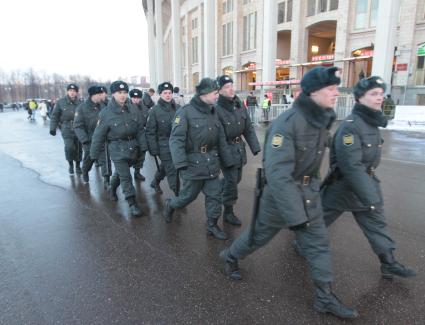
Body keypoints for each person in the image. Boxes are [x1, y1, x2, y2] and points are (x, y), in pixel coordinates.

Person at [219, 67, 358, 319]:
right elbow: (278, 175)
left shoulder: (320, 120)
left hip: (308, 195)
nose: (336, 93)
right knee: (257, 237)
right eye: (331, 89)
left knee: (318, 244)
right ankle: (230, 256)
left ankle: (324, 298)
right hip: (280, 199)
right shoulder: (287, 124)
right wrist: (297, 216)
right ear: (313, 92)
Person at [317, 76, 416, 280]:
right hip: (343, 188)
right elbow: (351, 166)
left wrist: (370, 192)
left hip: (365, 185)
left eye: (381, 93)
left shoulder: (370, 122)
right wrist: (370, 196)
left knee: (376, 224)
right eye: (374, 94)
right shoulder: (351, 126)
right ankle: (301, 243)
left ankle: (389, 263)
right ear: (360, 98)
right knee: (319, 220)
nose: (380, 98)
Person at [163, 78, 234, 240]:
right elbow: (176, 140)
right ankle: (171, 204)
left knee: (215, 196)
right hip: (192, 164)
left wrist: (227, 161)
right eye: (215, 93)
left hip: (211, 162)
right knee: (187, 196)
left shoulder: (213, 111)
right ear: (204, 94)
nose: (217, 96)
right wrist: (180, 164)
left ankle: (212, 225)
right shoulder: (185, 112)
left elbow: (220, 138)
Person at [90, 81, 147, 217]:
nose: (122, 95)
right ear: (113, 94)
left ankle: (112, 188)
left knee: (120, 174)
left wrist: (144, 147)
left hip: (133, 147)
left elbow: (140, 129)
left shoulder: (133, 108)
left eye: (124, 92)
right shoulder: (106, 113)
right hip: (116, 148)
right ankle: (132, 202)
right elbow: (98, 135)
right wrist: (93, 154)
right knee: (126, 176)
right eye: (119, 93)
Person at [216, 75, 261, 226]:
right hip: (225, 148)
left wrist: (255, 146)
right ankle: (228, 211)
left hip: (238, 148)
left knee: (236, 178)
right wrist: (226, 157)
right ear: (220, 91)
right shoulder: (217, 109)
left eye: (231, 85)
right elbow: (219, 137)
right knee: (231, 181)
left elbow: (247, 127)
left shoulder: (239, 104)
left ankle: (215, 189)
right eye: (227, 87)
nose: (231, 89)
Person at [145, 82, 178, 195]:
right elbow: (150, 132)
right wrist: (153, 149)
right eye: (165, 93)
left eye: (170, 92)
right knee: (172, 169)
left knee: (165, 166)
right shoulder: (154, 110)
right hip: (163, 145)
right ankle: (178, 194)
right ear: (160, 94)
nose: (168, 95)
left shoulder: (178, 108)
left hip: (177, 144)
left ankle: (155, 182)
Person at [74, 85, 110, 186]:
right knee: (89, 159)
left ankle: (106, 179)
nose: (101, 96)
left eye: (101, 94)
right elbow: (77, 126)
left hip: (102, 138)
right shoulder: (82, 108)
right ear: (92, 95)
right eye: (99, 94)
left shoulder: (103, 106)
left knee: (105, 159)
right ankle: (85, 171)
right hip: (89, 139)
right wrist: (84, 140)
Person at [49, 84, 83, 175]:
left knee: (79, 148)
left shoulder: (80, 103)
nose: (72, 93)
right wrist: (53, 128)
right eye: (70, 91)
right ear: (67, 91)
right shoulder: (61, 102)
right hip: (66, 128)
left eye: (74, 91)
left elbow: (85, 116)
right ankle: (71, 164)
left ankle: (78, 166)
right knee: (69, 147)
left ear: (76, 93)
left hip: (78, 128)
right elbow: (55, 116)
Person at [129, 88, 149, 181]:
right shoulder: (126, 108)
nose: (136, 100)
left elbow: (147, 120)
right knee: (130, 156)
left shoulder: (144, 108)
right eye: (134, 98)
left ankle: (137, 172)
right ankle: (124, 175)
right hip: (131, 136)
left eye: (138, 98)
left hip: (142, 135)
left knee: (141, 154)